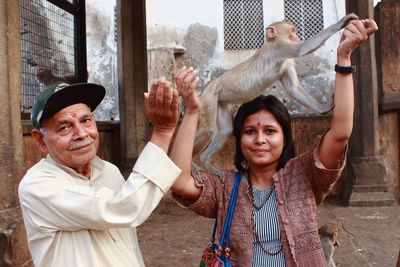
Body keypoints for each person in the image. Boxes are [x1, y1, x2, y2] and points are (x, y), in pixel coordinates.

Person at [170, 19, 378, 266]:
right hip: (219, 93)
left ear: (285, 136)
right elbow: (179, 180)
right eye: (249, 131)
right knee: (215, 130)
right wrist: (190, 112)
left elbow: (336, 129)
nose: (260, 139)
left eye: (270, 131)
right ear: (271, 33)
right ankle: (202, 159)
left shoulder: (303, 177)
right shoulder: (226, 189)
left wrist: (343, 59)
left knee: (218, 129)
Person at [18, 78, 181, 267]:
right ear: (40, 141)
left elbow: (128, 244)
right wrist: (161, 133)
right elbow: (125, 208)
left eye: (85, 120)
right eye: (64, 127)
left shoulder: (109, 171)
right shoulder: (38, 185)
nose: (81, 134)